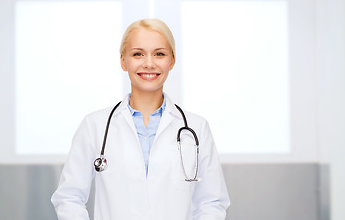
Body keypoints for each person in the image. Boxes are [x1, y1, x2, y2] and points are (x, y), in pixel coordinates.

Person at [51, 18, 230, 220]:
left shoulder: (196, 128)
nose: (149, 63)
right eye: (138, 54)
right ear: (123, 61)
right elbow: (69, 197)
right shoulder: (95, 126)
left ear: (172, 60)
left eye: (159, 54)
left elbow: (212, 203)